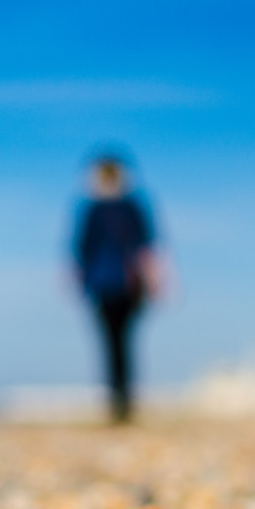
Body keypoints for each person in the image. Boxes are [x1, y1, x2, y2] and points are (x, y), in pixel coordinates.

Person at [72, 152, 158, 424]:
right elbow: (81, 248)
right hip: (101, 285)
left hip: (129, 285)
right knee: (111, 343)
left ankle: (124, 402)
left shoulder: (131, 206)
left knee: (123, 342)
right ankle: (116, 403)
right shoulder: (92, 208)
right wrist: (79, 280)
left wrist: (154, 280)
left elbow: (147, 246)